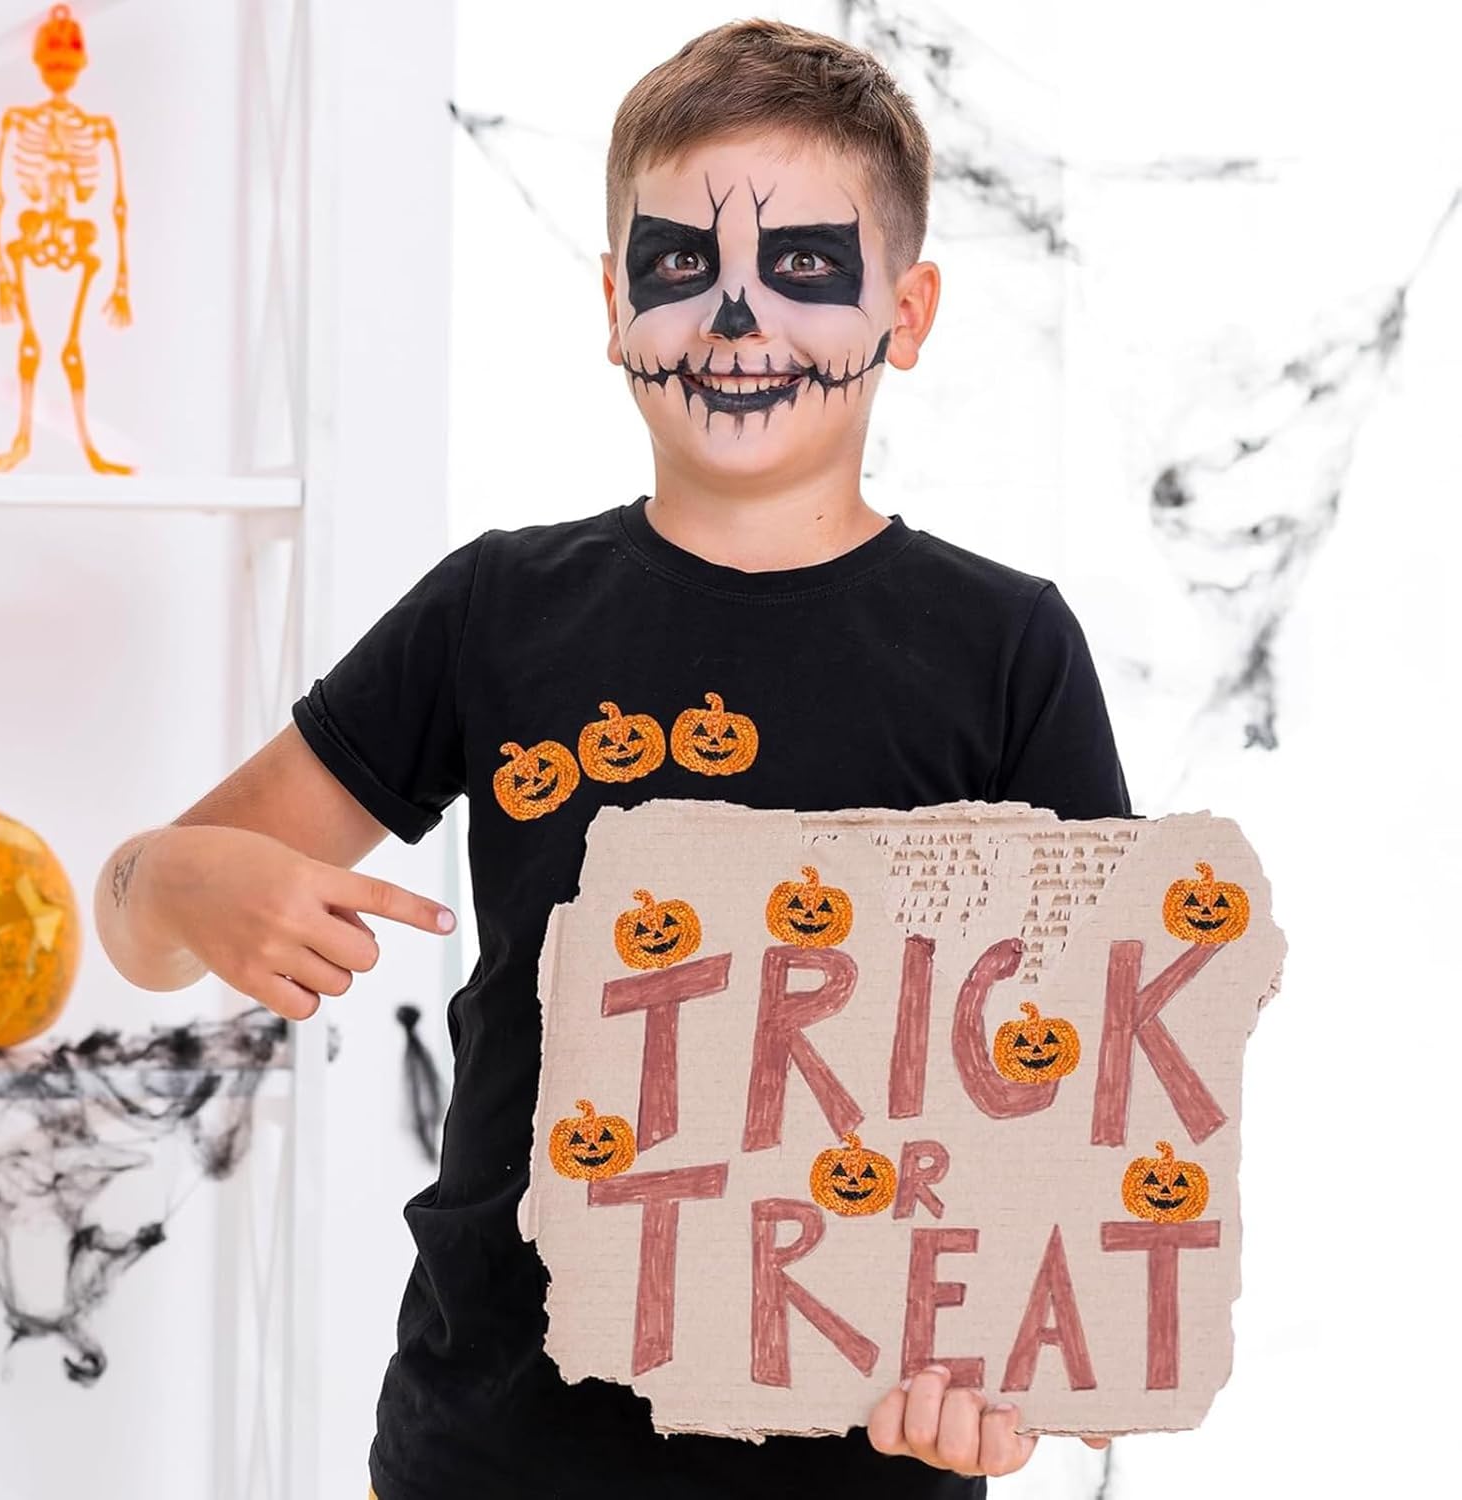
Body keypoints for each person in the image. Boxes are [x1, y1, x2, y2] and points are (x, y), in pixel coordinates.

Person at [95, 19, 1127, 1500]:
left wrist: (1010, 1371)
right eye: (678, 263)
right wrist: (174, 881)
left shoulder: (1007, 647)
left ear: (908, 310)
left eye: (807, 264)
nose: (735, 315)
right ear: (612, 301)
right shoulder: (495, 609)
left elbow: (1090, 1088)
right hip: (494, 1450)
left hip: (863, 1463)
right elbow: (136, 921)